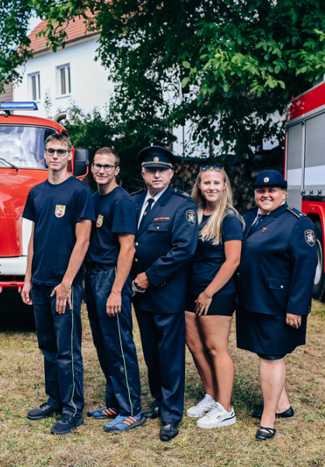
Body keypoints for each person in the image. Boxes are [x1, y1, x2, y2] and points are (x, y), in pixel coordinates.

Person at [21, 133, 95, 435]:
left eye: (60, 151)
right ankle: (54, 399)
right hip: (40, 282)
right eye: (50, 150)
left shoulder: (79, 192)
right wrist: (27, 279)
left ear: (69, 155)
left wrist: (66, 283)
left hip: (64, 285)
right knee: (48, 346)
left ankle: (73, 409)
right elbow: (34, 239)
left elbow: (83, 241)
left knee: (67, 350)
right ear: (44, 155)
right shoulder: (36, 192)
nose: (55, 155)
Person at [236, 170, 317, 441]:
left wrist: (297, 307)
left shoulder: (298, 222)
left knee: (272, 357)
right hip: (252, 299)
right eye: (260, 190)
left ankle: (268, 418)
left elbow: (306, 268)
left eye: (272, 190)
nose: (266, 195)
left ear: (283, 193)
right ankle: (282, 405)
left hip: (278, 304)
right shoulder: (247, 218)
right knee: (265, 354)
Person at [131, 146, 198, 441]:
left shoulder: (182, 205)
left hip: (166, 290)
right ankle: (159, 400)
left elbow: (184, 249)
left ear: (171, 173)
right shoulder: (133, 201)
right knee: (151, 352)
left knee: (170, 355)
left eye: (162, 170)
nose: (156, 174)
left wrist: (149, 276)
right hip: (139, 292)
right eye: (151, 170)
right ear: (143, 173)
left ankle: (172, 414)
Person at [83, 147, 144, 433]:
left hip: (111, 277)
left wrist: (117, 290)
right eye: (98, 165)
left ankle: (132, 410)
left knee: (119, 346)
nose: (101, 170)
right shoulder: (95, 198)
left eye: (108, 166)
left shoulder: (121, 201)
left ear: (117, 170)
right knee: (103, 344)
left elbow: (127, 248)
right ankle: (114, 402)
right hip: (93, 277)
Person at [185, 165, 244, 429]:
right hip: (190, 290)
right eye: (206, 182)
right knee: (195, 345)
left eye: (216, 183)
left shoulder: (229, 218)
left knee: (215, 348)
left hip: (216, 292)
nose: (211, 187)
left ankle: (225, 408)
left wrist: (209, 293)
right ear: (199, 185)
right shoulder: (194, 214)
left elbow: (233, 261)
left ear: (224, 186)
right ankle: (211, 396)